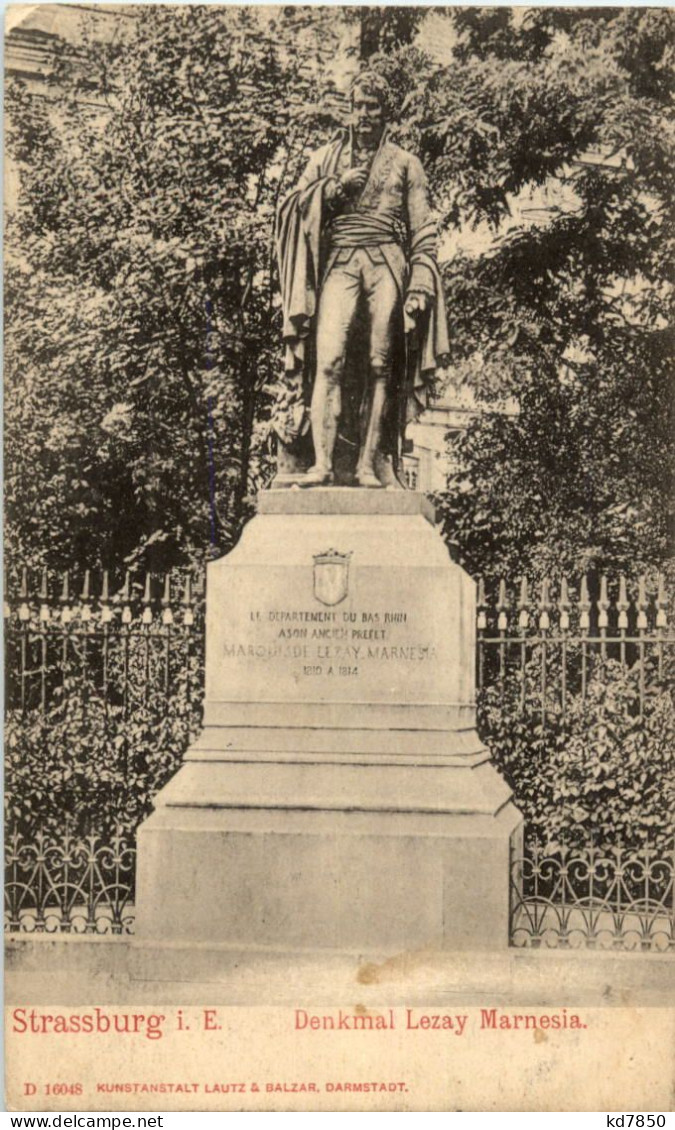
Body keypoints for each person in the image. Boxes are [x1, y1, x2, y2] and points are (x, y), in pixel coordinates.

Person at [276, 71, 449, 487]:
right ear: (349, 110)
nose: (364, 114)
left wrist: (420, 284)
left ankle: (368, 464)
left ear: (384, 111)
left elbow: (424, 229)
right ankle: (321, 464)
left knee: (380, 363)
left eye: (372, 106)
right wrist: (333, 190)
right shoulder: (324, 159)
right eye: (358, 106)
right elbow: (292, 208)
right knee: (330, 358)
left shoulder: (407, 164)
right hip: (339, 261)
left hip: (386, 262)